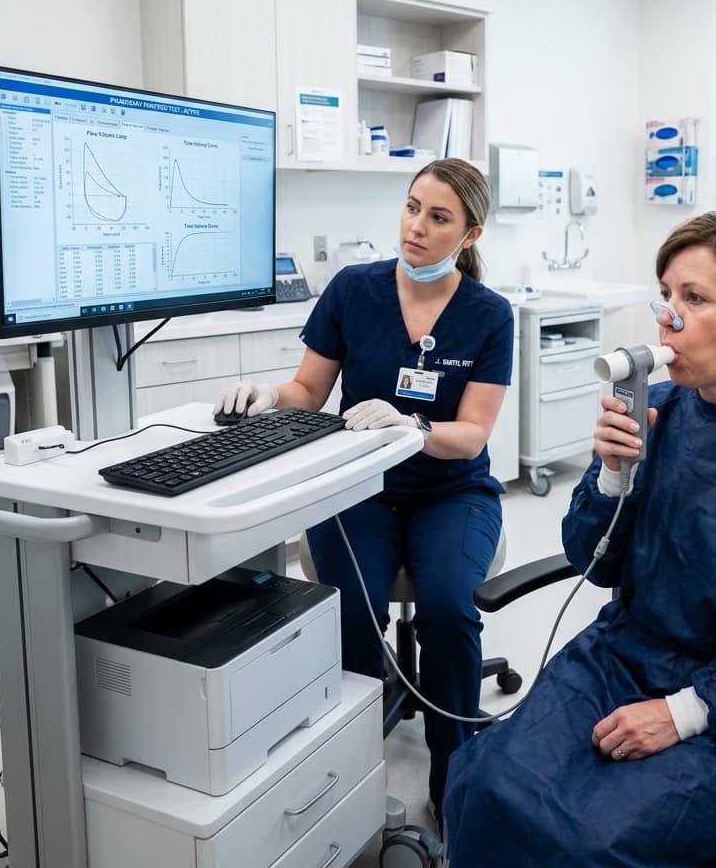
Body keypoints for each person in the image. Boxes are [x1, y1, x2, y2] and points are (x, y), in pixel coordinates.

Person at [443, 212, 716, 868]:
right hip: (627, 658)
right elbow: (594, 560)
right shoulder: (660, 409)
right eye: (666, 296)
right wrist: (614, 477)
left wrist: (682, 713)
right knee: (483, 784)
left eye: (695, 299)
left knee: (593, 842)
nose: (667, 318)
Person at [216, 158, 513, 819]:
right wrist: (268, 395)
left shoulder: (490, 315)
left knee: (447, 606)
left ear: (471, 235)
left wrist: (412, 425)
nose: (417, 227)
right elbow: (307, 392)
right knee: (347, 610)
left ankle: (452, 781)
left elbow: (471, 434)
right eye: (412, 208)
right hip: (358, 488)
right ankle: (347, 775)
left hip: (452, 490)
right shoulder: (353, 290)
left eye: (439, 218)